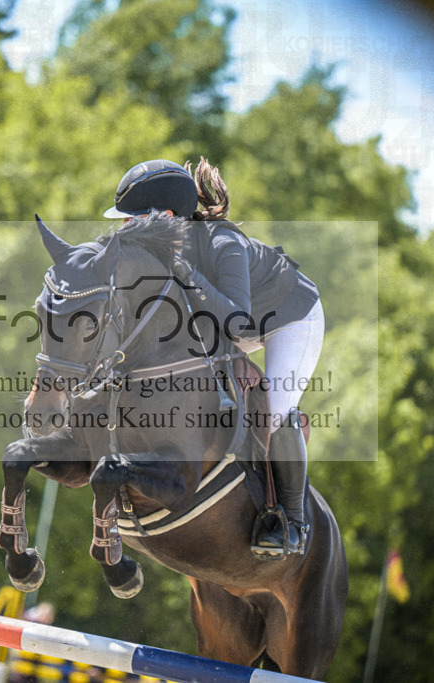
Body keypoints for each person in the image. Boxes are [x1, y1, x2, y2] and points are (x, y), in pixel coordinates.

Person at [103, 158, 324, 557]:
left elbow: (237, 323)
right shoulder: (155, 256)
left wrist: (184, 270)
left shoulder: (223, 243)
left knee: (272, 409)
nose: (122, 229)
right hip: (227, 319)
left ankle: (293, 521)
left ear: (165, 217)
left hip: (289, 317)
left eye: (129, 220)